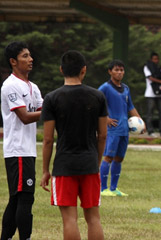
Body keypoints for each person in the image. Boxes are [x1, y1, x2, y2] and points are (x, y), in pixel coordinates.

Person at [40, 50, 107, 240]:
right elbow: (102, 135)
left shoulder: (52, 98)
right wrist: (97, 160)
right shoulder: (98, 96)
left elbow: (48, 139)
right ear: (83, 70)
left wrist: (45, 169)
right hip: (89, 163)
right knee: (93, 218)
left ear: (61, 69)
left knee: (69, 219)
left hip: (64, 165)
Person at [1, 41, 42, 240]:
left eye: (30, 55)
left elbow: (43, 111)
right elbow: (25, 117)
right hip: (17, 150)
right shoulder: (10, 86)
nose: (30, 59)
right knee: (25, 198)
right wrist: (51, 109)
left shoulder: (33, 86)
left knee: (18, 199)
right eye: (25, 56)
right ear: (13, 61)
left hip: (28, 150)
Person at [99, 59, 145, 197]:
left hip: (125, 129)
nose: (119, 72)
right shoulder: (105, 88)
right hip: (113, 130)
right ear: (110, 71)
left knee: (119, 158)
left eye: (121, 70)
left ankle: (114, 188)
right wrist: (105, 118)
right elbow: (96, 102)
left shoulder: (125, 88)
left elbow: (130, 106)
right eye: (116, 70)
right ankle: (103, 189)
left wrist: (140, 121)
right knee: (108, 157)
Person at [144, 52, 161, 137]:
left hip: (160, 94)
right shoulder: (147, 67)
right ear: (151, 59)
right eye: (154, 59)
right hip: (150, 94)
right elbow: (150, 78)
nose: (156, 61)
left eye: (157, 59)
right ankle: (150, 131)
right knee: (150, 113)